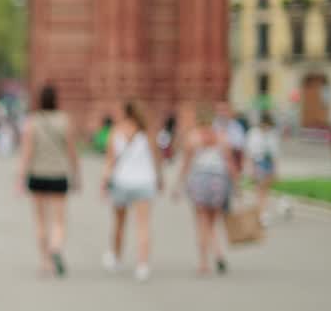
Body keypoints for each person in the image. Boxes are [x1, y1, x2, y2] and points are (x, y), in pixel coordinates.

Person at [18, 84, 81, 277]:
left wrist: (20, 177)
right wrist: (76, 174)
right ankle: (56, 246)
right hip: (59, 174)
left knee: (40, 221)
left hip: (38, 174)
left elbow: (27, 153)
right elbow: (71, 151)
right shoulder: (65, 120)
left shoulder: (32, 122)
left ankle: (45, 263)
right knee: (59, 220)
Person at [101, 101, 163, 282]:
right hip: (144, 181)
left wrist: (104, 181)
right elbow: (156, 159)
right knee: (143, 225)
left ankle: (116, 257)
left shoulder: (116, 131)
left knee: (119, 223)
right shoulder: (147, 132)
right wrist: (159, 179)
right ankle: (142, 265)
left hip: (122, 181)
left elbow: (110, 160)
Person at [174, 105, 236, 276]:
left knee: (201, 223)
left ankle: (204, 262)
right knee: (212, 223)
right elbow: (230, 163)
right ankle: (218, 253)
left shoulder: (193, 137)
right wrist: (236, 186)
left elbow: (186, 165)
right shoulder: (221, 136)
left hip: (199, 180)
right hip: (218, 181)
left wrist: (178, 186)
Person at [246, 112, 282, 221]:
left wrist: (276, 170)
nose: (267, 127)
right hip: (258, 162)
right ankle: (261, 212)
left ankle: (263, 210)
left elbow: (276, 154)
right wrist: (251, 169)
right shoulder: (253, 133)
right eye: (265, 125)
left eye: (269, 125)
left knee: (265, 189)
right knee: (259, 188)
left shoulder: (272, 134)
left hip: (269, 163)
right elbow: (250, 153)